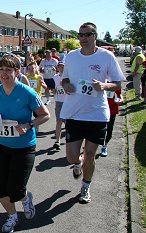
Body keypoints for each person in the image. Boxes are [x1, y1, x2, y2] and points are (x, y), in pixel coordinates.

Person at [0, 56, 50, 233]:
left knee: (16, 189)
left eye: (9, 70)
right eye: (2, 69)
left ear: (17, 72)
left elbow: (45, 115)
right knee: (0, 186)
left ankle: (25, 198)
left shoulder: (27, 92)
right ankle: (12, 216)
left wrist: (28, 125)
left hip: (24, 146)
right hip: (0, 145)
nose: (4, 74)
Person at [60, 22, 125, 204]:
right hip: (74, 113)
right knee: (71, 157)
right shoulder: (71, 56)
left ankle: (85, 188)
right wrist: (66, 85)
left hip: (96, 114)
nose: (84, 38)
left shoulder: (107, 56)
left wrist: (104, 86)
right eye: (81, 35)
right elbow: (65, 78)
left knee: (90, 154)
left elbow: (118, 83)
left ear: (95, 36)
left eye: (88, 35)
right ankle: (77, 163)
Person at [101, 88, 123, 156]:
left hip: (111, 109)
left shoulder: (115, 80)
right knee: (92, 128)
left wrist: (121, 100)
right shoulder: (98, 79)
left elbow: (119, 94)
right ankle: (87, 148)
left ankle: (104, 146)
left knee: (109, 129)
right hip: (99, 109)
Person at [52, 61, 66, 150]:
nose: (61, 68)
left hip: (67, 102)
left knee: (68, 123)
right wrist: (54, 91)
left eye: (63, 67)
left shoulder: (68, 77)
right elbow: (54, 89)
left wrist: (65, 86)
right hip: (58, 102)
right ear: (57, 68)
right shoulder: (55, 77)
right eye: (60, 67)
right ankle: (57, 141)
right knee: (58, 122)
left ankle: (70, 141)